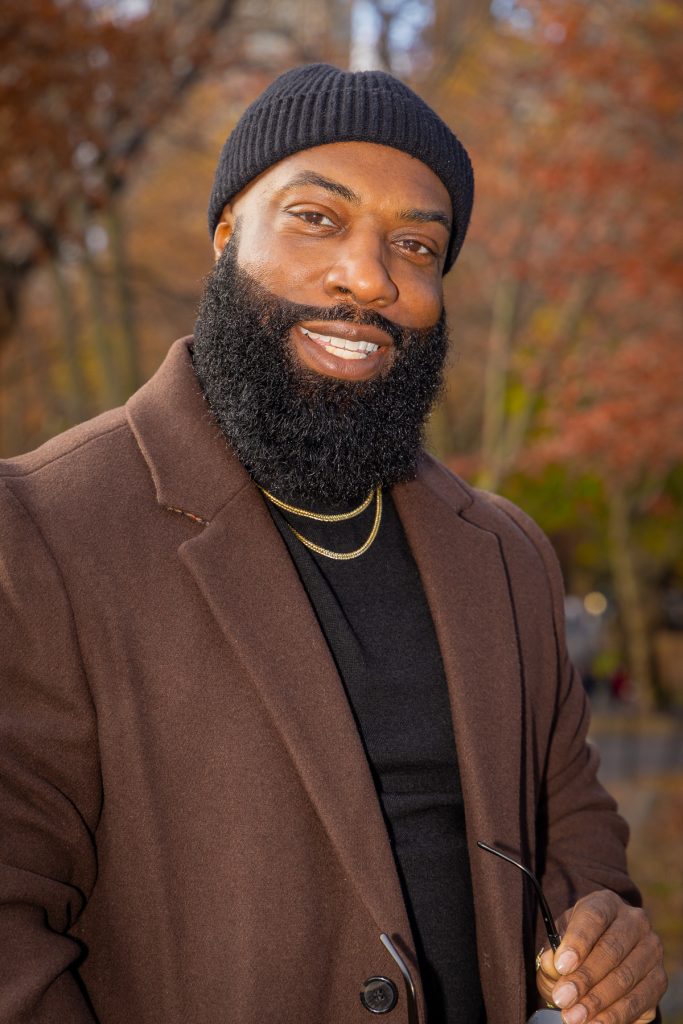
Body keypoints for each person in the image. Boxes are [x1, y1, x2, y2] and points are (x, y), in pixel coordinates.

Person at [0, 64, 666, 1024]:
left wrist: (607, 938)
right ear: (226, 236)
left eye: (416, 244)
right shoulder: (40, 534)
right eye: (317, 218)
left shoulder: (506, 554)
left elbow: (576, 831)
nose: (369, 276)